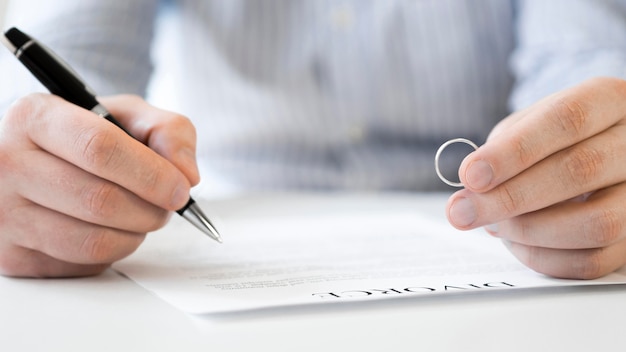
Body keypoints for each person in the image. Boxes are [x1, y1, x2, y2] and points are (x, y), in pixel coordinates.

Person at [1, 0, 626, 279]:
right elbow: (73, 61)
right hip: (237, 225)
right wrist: (54, 159)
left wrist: (588, 153)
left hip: (493, 242)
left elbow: (583, 55)